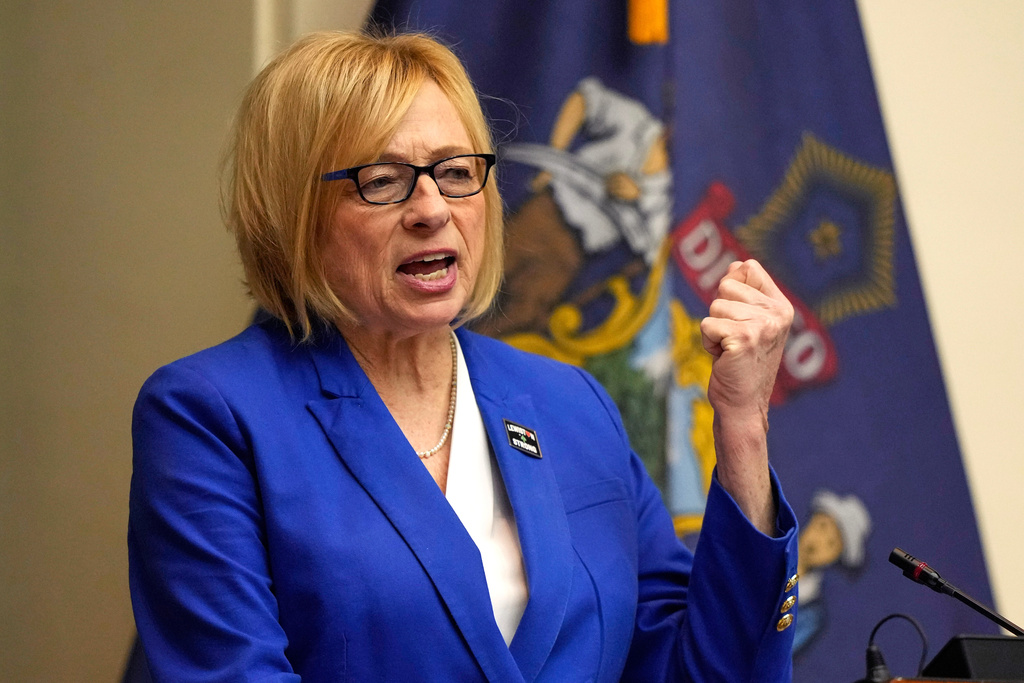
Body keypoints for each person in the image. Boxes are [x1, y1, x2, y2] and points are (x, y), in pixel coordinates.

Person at [128, 31, 799, 682]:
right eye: (383, 180)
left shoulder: (571, 403)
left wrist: (742, 423)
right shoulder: (210, 415)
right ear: (293, 213)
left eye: (455, 173)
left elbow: (706, 671)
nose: (432, 209)